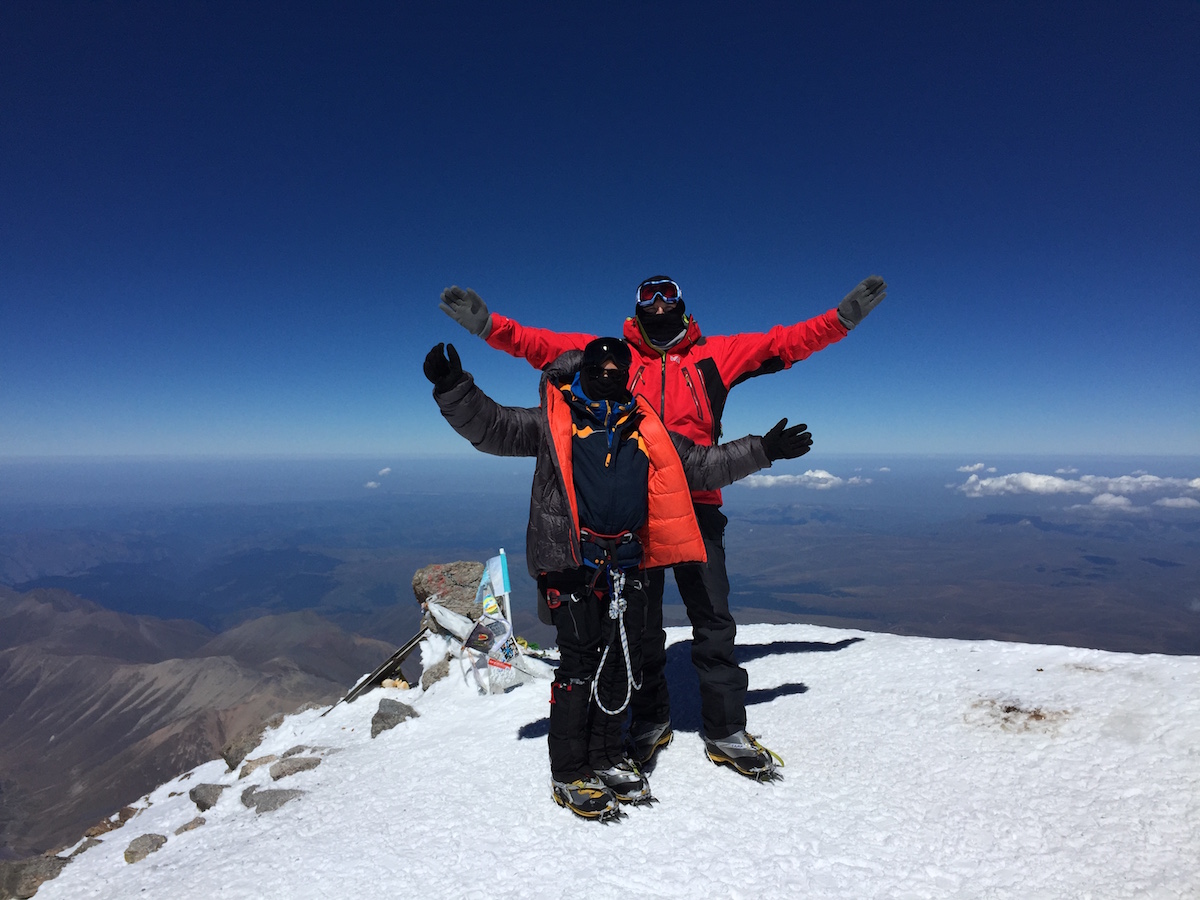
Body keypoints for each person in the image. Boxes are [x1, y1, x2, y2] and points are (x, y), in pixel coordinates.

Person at [438, 274, 886, 779]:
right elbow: (534, 343)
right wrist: (486, 324)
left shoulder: (716, 354)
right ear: (636, 309)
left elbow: (785, 342)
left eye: (667, 295)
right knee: (640, 625)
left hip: (698, 498)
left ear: (682, 304)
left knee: (712, 616)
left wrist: (841, 320)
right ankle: (650, 719)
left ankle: (724, 729)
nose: (658, 306)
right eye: (648, 298)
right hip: (635, 507)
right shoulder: (612, 356)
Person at [423, 337, 813, 820]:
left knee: (618, 665)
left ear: (627, 373)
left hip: (627, 567)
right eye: (599, 366)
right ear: (584, 367)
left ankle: (607, 757)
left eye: (617, 367)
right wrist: (453, 387)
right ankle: (570, 771)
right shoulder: (554, 418)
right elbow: (495, 427)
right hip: (572, 566)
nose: (608, 373)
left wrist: (764, 449)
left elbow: (703, 465)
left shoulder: (645, 426)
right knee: (579, 666)